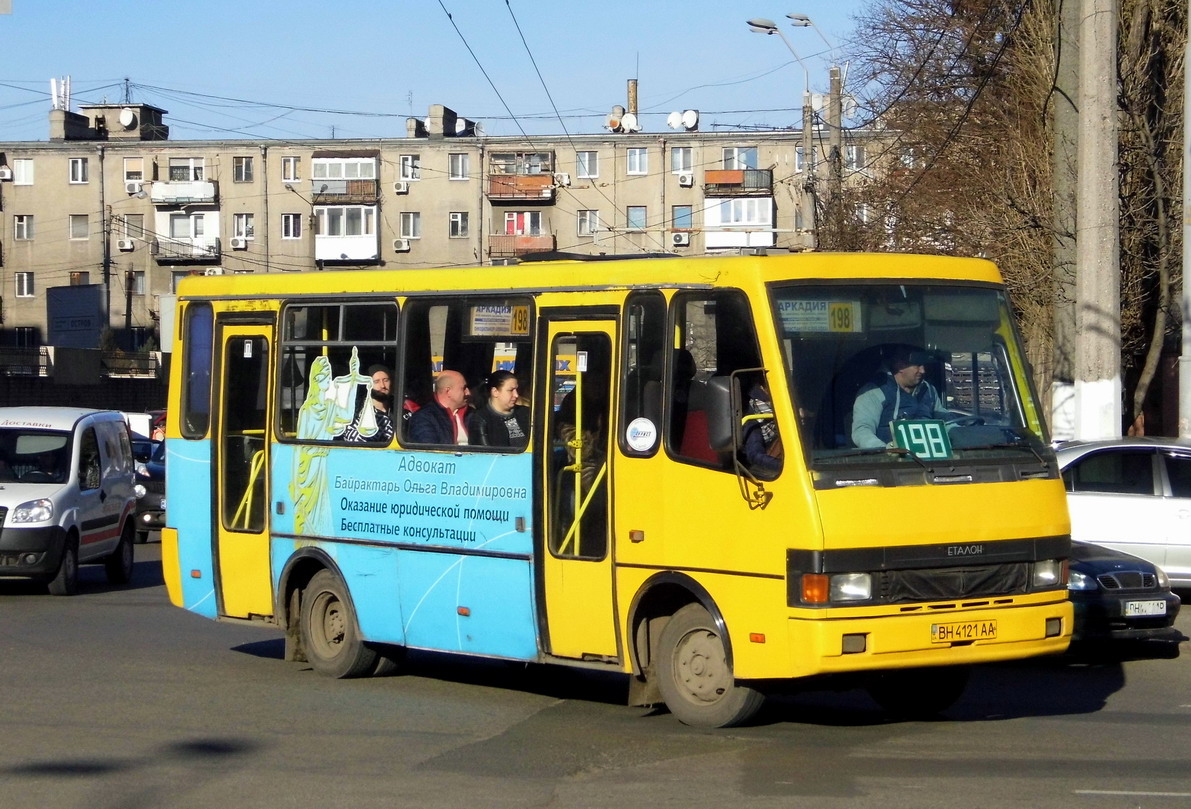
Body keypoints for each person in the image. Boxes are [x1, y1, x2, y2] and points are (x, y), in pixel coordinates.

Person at [851, 346, 947, 449]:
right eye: (918, 365)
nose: (923, 370)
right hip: (891, 463)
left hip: (933, 462)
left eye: (923, 365)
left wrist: (961, 434)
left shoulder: (929, 391)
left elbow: (946, 421)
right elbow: (862, 431)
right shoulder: (873, 392)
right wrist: (886, 450)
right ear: (900, 366)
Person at [468, 370, 530, 449]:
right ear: (495, 392)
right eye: (511, 390)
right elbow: (486, 454)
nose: (516, 395)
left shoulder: (526, 413)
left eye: (516, 390)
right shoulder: (480, 419)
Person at [408, 369, 471, 445]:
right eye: (463, 388)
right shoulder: (424, 418)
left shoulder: (472, 414)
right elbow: (429, 452)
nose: (468, 393)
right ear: (448, 391)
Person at [342, 364, 395, 443]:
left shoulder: (401, 409)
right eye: (376, 382)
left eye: (386, 380)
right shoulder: (358, 414)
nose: (382, 385)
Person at [741, 380, 783, 480]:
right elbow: (755, 454)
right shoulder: (751, 412)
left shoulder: (785, 404)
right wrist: (782, 465)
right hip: (771, 472)